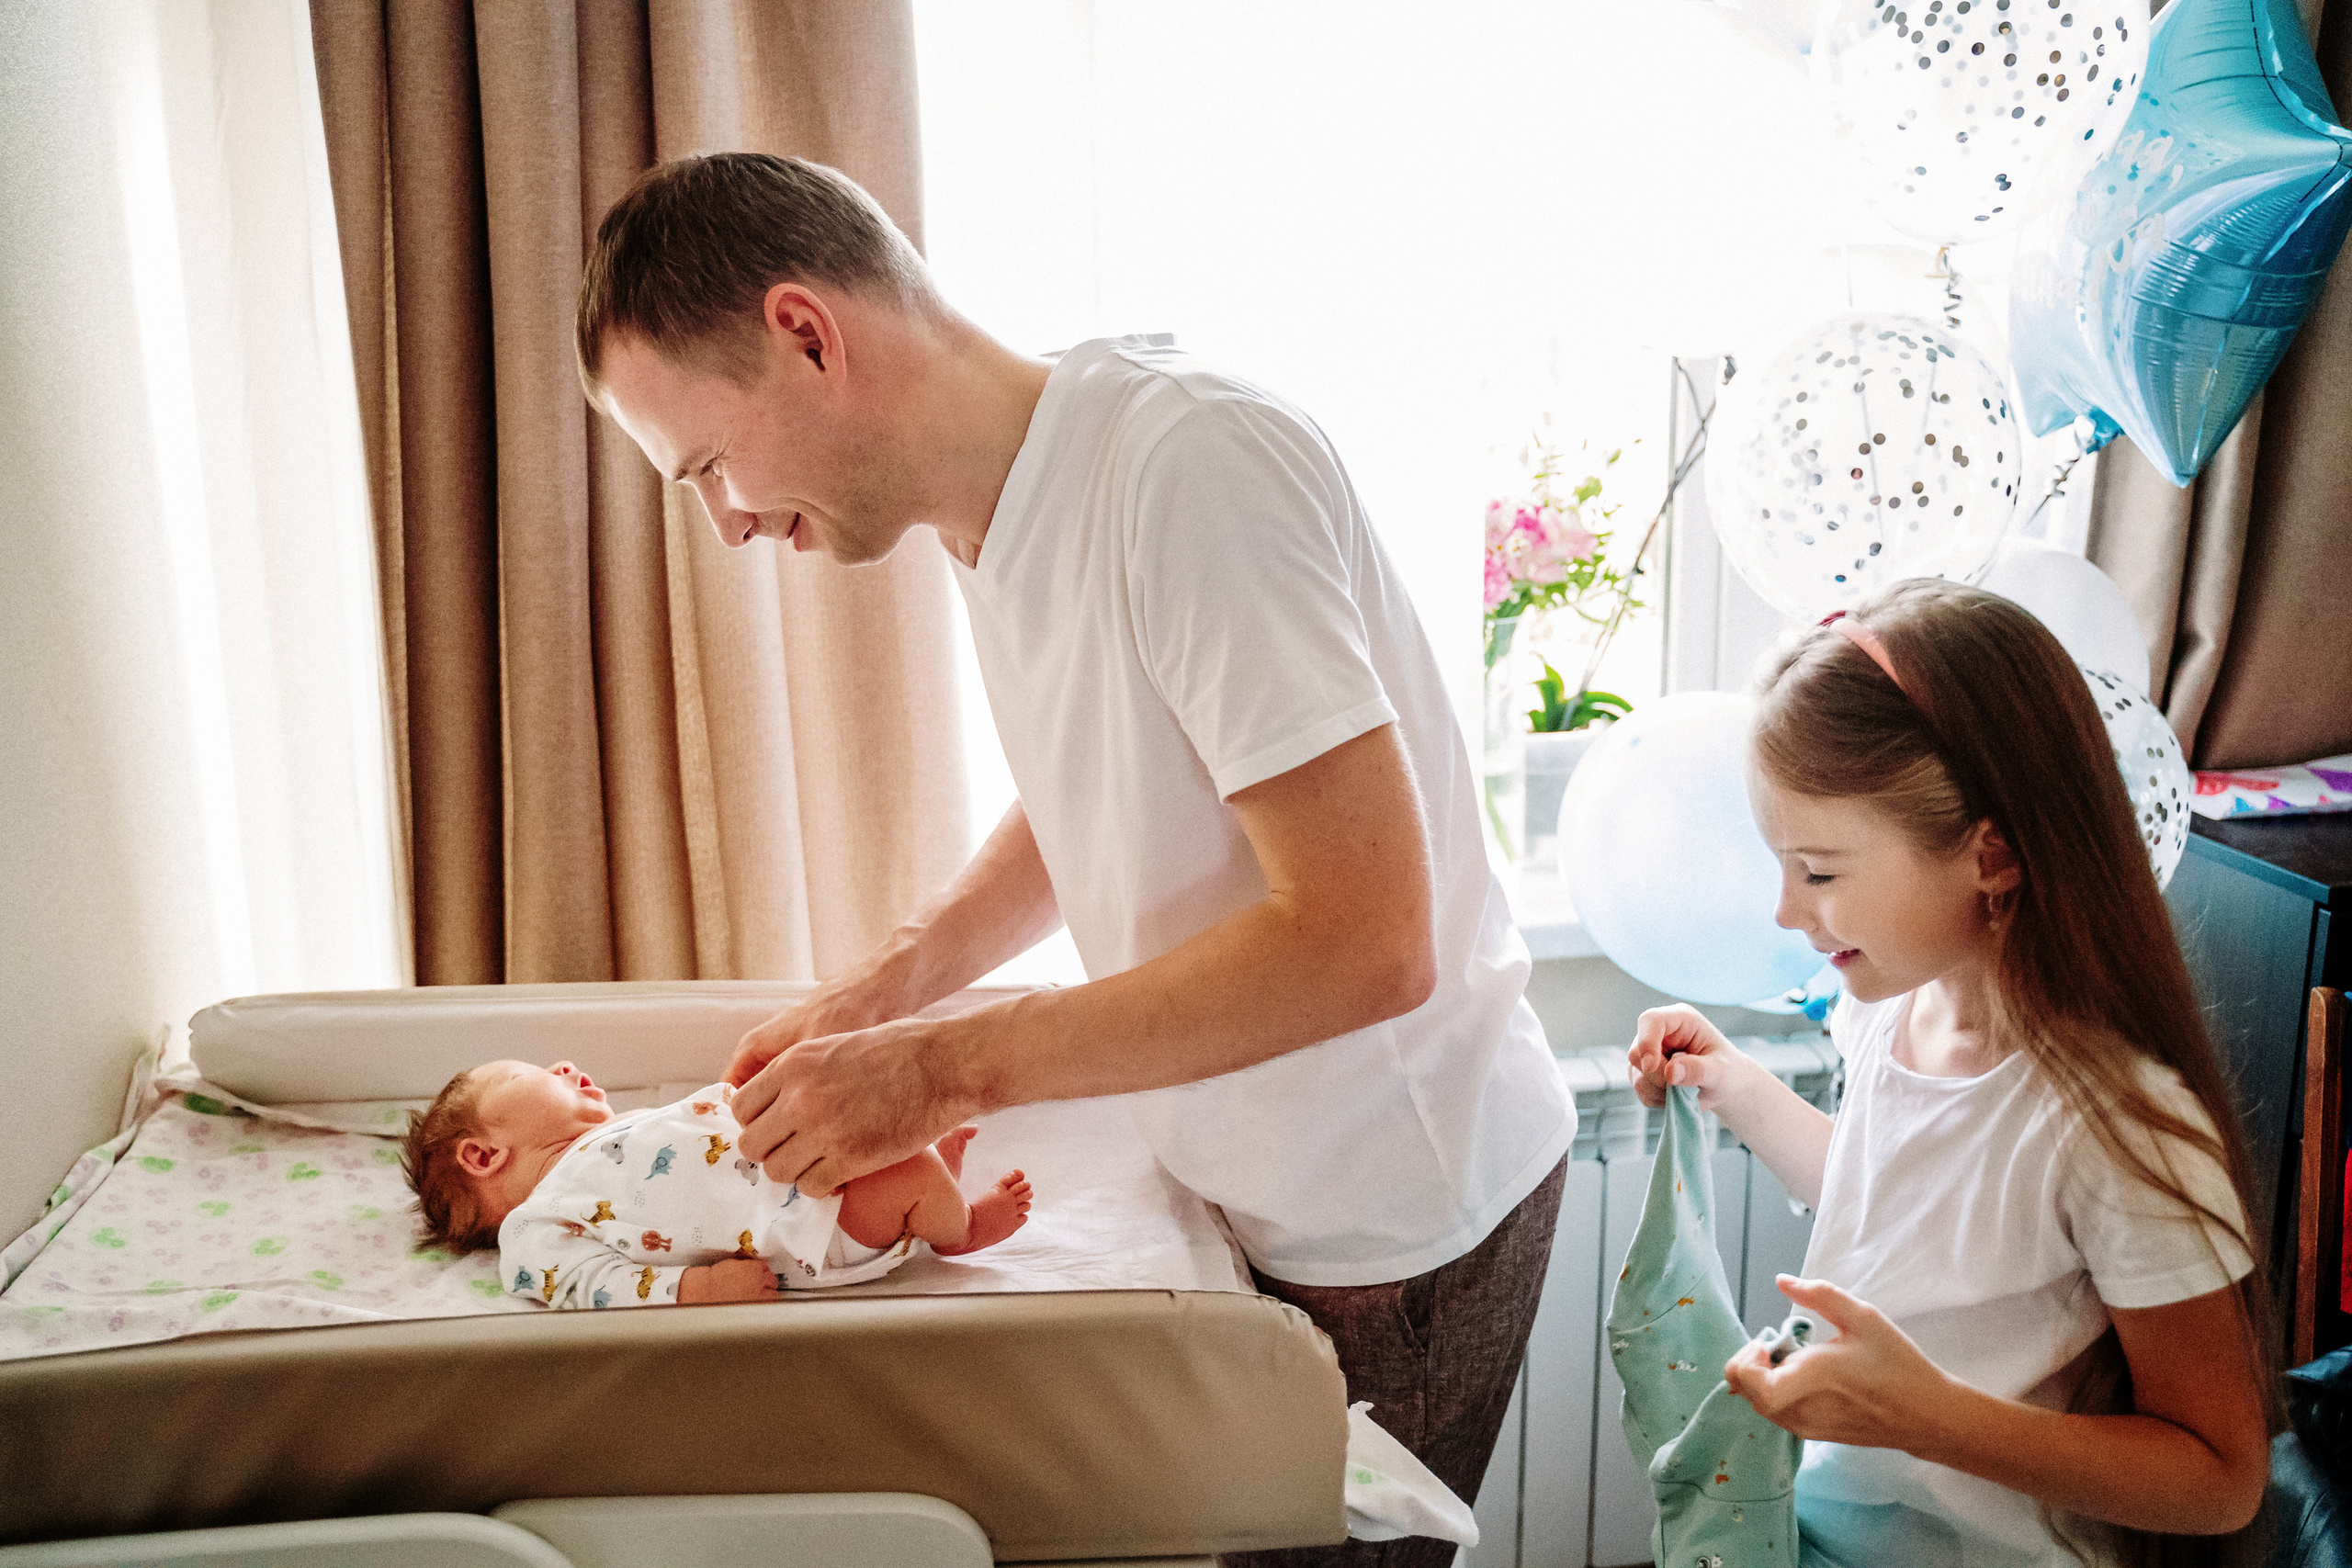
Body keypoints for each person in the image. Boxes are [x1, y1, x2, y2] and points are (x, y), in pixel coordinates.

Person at [573, 151, 1575, 1558]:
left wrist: (942, 1063)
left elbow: (1365, 938)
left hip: (1393, 1206)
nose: (727, 519)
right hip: (1262, 1183)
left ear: (807, 333)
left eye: (710, 464)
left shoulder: (1188, 468)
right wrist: (890, 988)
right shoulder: (992, 506)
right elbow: (1105, 777)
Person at [1626, 580, 2276, 1566]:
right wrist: (1739, 1090)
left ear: (1992, 854)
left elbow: (2221, 1478)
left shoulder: (2116, 1127)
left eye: (1820, 872)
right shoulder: (1886, 1012)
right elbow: (1902, 1204)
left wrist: (1929, 1419)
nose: (1785, 913)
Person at [401, 1058, 1032, 1308]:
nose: (562, 1065)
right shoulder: (535, 1224)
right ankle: (961, 1228)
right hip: (806, 1225)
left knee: (884, 1128)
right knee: (909, 1169)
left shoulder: (613, 1133)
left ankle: (930, 1199)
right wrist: (693, 1287)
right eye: (531, 1072)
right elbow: (596, 1287)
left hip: (801, 1168)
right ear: (483, 1153)